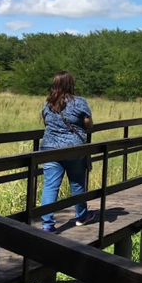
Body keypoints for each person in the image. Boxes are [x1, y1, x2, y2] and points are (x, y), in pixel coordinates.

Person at [39, 71, 94, 232]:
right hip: (73, 150)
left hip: (49, 149)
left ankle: (47, 225)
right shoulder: (79, 102)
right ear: (71, 84)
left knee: (50, 186)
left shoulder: (48, 104)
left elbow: (46, 123)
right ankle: (81, 216)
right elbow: (89, 125)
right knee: (77, 183)